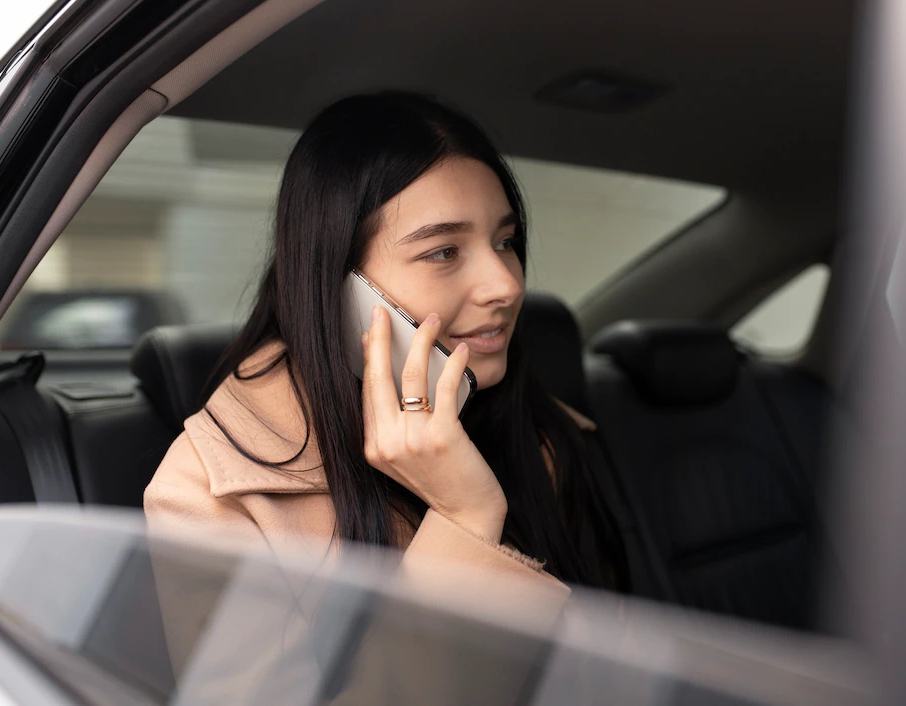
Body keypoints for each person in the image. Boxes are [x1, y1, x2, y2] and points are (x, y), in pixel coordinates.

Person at [143, 92, 627, 678]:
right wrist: (465, 520)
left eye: (504, 241)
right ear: (342, 290)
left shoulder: (539, 428)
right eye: (444, 251)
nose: (504, 283)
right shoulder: (207, 497)